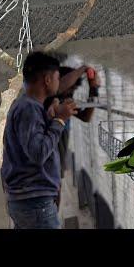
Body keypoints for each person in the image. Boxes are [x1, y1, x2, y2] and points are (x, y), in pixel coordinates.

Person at [1, 52, 77, 229]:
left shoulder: (29, 107)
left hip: (29, 202)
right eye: (58, 77)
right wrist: (60, 120)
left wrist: (50, 119)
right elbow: (38, 153)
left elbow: (31, 146)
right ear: (48, 79)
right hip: (34, 204)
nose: (59, 83)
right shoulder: (28, 108)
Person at [44, 65, 100, 209]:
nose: (70, 93)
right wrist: (83, 68)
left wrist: (94, 89)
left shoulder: (66, 100)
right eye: (70, 89)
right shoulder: (48, 98)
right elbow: (60, 88)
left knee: (56, 188)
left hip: (58, 152)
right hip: (45, 154)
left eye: (73, 90)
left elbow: (86, 117)